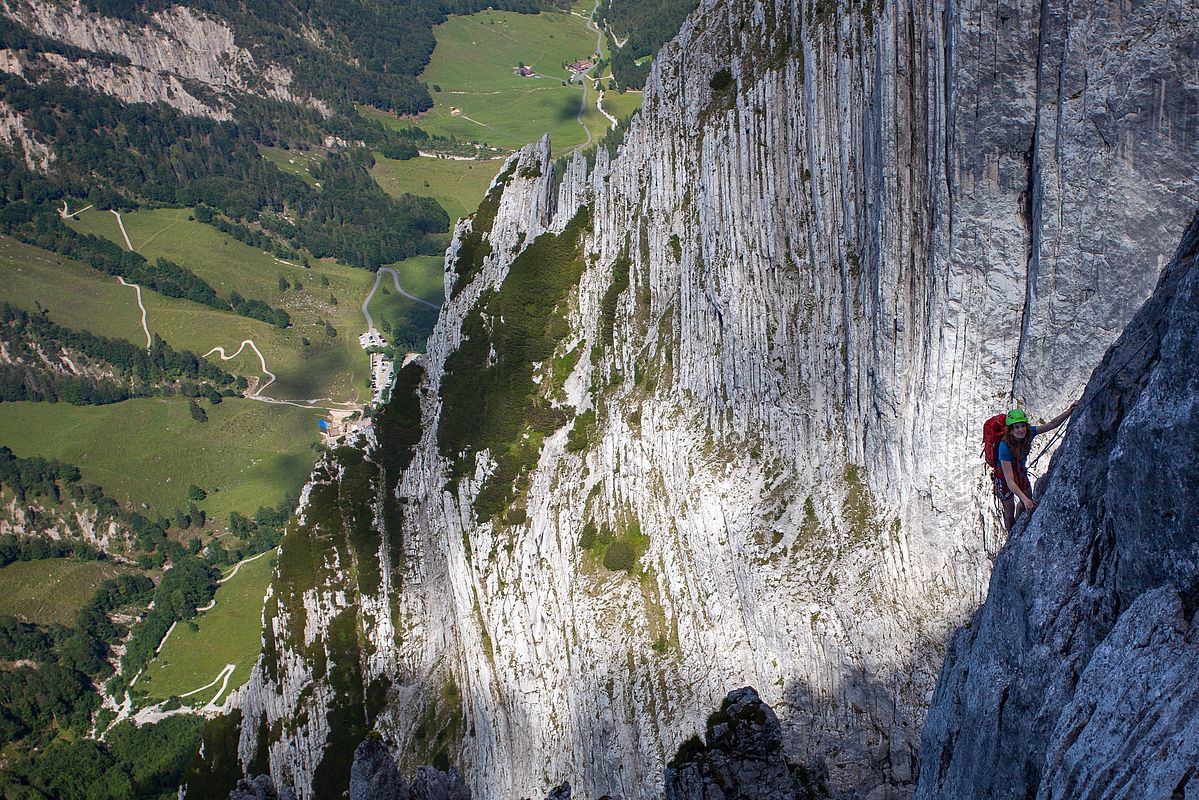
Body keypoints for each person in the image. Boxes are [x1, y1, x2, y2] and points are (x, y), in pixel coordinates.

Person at [995, 402, 1078, 531]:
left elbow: (1051, 424)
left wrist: (1069, 411)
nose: (1020, 430)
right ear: (1010, 430)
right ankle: (1010, 537)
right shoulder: (1004, 447)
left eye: (1022, 426)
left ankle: (1019, 526)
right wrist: (1024, 499)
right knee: (1009, 512)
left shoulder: (1029, 433)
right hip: (1004, 477)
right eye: (1016, 427)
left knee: (1025, 504)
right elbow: (1009, 480)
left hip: (1020, 472)